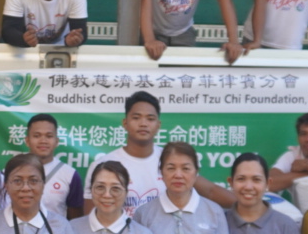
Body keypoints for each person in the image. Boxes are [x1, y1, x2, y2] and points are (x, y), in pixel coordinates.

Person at [83, 91, 233, 215]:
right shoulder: (103, 165)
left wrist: (251, 205)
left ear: (158, 125)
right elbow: (91, 217)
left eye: (150, 119)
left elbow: (210, 191)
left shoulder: (170, 160)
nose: (143, 124)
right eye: (136, 118)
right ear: (125, 123)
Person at [268, 111, 308, 213]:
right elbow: (269, 183)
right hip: (303, 222)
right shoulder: (292, 156)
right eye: (303, 134)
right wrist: (307, 172)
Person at [25, 113, 83, 219]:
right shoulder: (12, 171)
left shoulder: (70, 175)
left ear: (56, 141)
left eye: (49, 136)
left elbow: (75, 219)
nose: (43, 141)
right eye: (37, 136)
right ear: (27, 141)